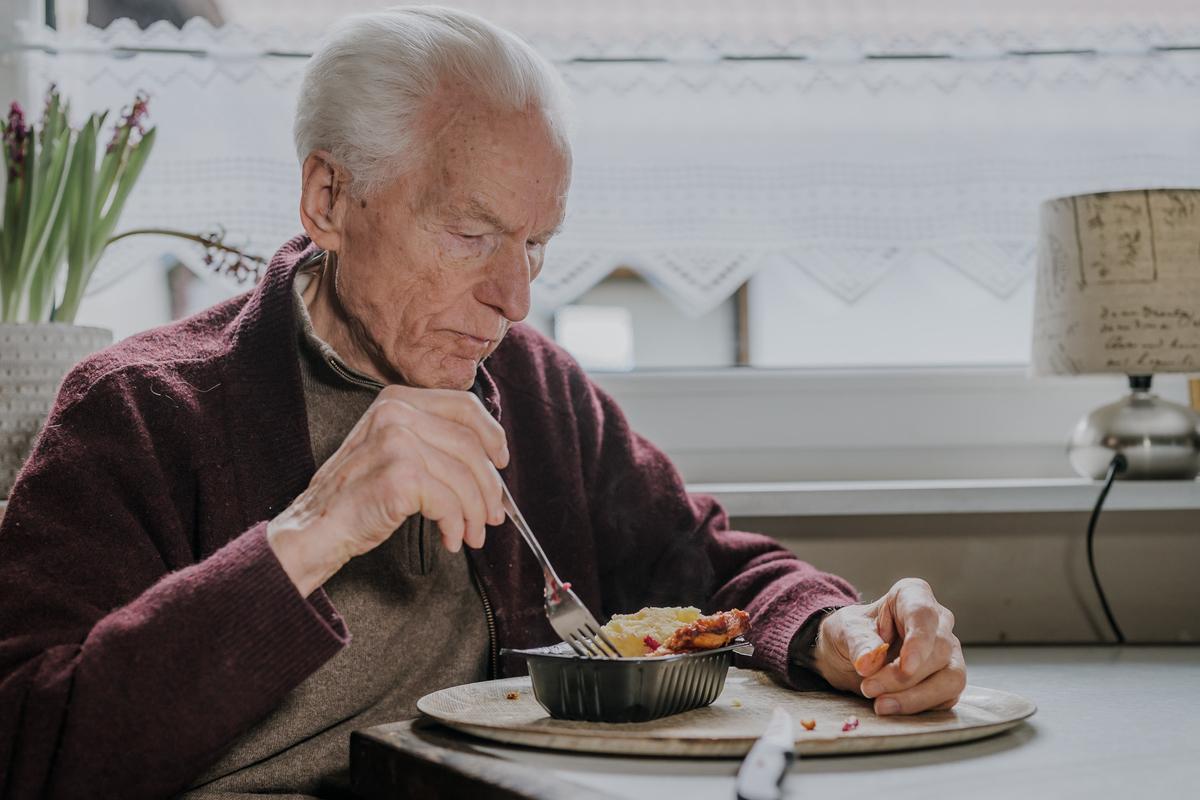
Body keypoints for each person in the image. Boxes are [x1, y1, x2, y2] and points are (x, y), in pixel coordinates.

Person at [0, 7, 966, 799]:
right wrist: (313, 528)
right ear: (328, 200)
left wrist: (836, 631)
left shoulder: (535, 390)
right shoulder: (137, 410)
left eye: (536, 245)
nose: (515, 299)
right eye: (471, 234)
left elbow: (709, 569)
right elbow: (29, 746)